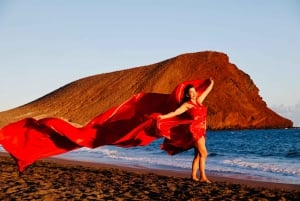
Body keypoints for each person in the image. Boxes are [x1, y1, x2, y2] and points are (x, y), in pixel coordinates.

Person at [158, 78, 214, 183]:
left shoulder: (199, 101)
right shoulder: (186, 105)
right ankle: (203, 177)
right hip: (194, 131)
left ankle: (193, 176)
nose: (193, 94)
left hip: (202, 131)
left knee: (198, 154)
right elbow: (175, 112)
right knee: (204, 154)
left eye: (194, 91)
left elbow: (207, 91)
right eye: (191, 92)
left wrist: (211, 83)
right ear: (188, 95)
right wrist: (163, 117)